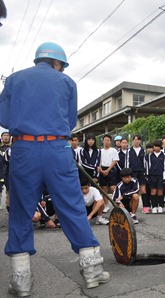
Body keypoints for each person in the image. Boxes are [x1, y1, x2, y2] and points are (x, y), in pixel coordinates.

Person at [0, 42, 109, 296]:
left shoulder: (15, 79)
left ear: (39, 60)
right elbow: (70, 121)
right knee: (71, 207)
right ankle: (92, 272)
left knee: (20, 211)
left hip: (24, 149)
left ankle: (21, 282)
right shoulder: (67, 82)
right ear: (57, 63)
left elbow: (4, 118)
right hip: (57, 149)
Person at [145, 140, 165, 214]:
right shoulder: (150, 155)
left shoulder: (164, 155)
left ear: (160, 147)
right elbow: (148, 166)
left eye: (158, 146)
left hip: (161, 175)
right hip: (152, 176)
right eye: (155, 146)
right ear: (153, 147)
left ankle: (160, 206)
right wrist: (147, 175)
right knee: (153, 191)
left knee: (160, 191)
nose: (156, 148)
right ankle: (154, 206)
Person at [98, 134, 119, 213]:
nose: (106, 142)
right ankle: (106, 205)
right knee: (104, 189)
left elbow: (115, 161)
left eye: (108, 140)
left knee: (113, 188)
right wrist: (101, 170)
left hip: (111, 169)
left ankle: (116, 203)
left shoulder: (113, 150)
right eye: (105, 140)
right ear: (103, 141)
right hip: (102, 169)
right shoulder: (100, 151)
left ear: (110, 141)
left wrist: (108, 170)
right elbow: (98, 162)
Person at [128, 134, 145, 211]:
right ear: (132, 141)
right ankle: (131, 206)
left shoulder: (143, 150)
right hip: (132, 172)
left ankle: (145, 206)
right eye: (135, 139)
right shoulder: (129, 151)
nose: (136, 141)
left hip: (141, 172)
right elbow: (127, 162)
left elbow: (146, 162)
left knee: (143, 190)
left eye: (138, 139)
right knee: (132, 190)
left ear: (140, 141)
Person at [141, 143, 154, 214]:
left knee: (152, 190)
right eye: (148, 148)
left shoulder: (154, 156)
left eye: (151, 148)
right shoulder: (145, 156)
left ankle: (153, 204)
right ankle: (147, 204)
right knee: (146, 190)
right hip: (145, 175)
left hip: (153, 175)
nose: (149, 149)